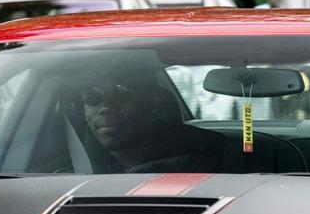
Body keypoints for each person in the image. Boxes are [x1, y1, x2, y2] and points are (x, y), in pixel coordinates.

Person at [76, 74, 224, 174]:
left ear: (154, 101)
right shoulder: (68, 164)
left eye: (122, 92)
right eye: (92, 96)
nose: (106, 107)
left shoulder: (203, 160)